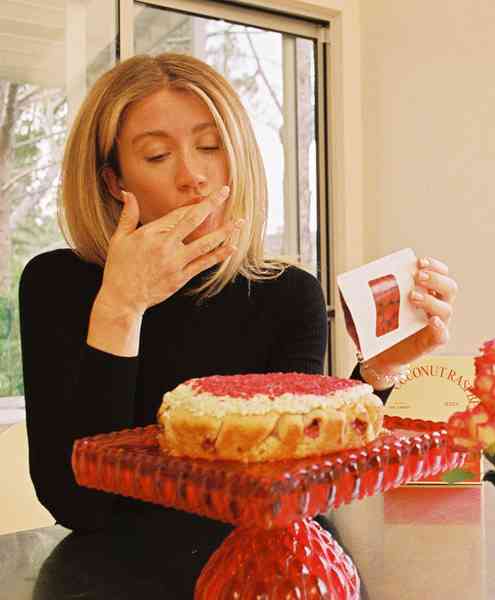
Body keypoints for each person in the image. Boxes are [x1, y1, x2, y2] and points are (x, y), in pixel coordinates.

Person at [19, 53, 458, 535]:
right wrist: (120, 308)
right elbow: (75, 503)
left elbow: (293, 484)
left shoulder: (286, 295)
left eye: (210, 146)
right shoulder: (56, 283)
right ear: (114, 181)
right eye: (157, 156)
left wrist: (380, 367)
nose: (192, 175)